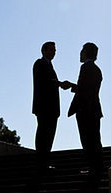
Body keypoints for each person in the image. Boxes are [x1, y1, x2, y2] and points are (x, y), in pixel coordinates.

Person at [63, 42, 104, 174]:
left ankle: (94, 167)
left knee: (87, 140)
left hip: (86, 109)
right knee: (95, 139)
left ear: (85, 52)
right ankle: (97, 166)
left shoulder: (85, 68)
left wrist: (71, 86)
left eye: (82, 51)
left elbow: (84, 89)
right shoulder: (97, 70)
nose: (80, 54)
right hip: (94, 109)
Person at [32, 41, 66, 170]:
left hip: (51, 108)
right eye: (51, 50)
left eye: (55, 50)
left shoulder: (49, 65)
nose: (54, 52)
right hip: (44, 106)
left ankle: (44, 160)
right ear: (44, 51)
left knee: (49, 134)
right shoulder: (39, 64)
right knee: (43, 133)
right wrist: (59, 83)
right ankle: (41, 161)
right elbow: (44, 81)